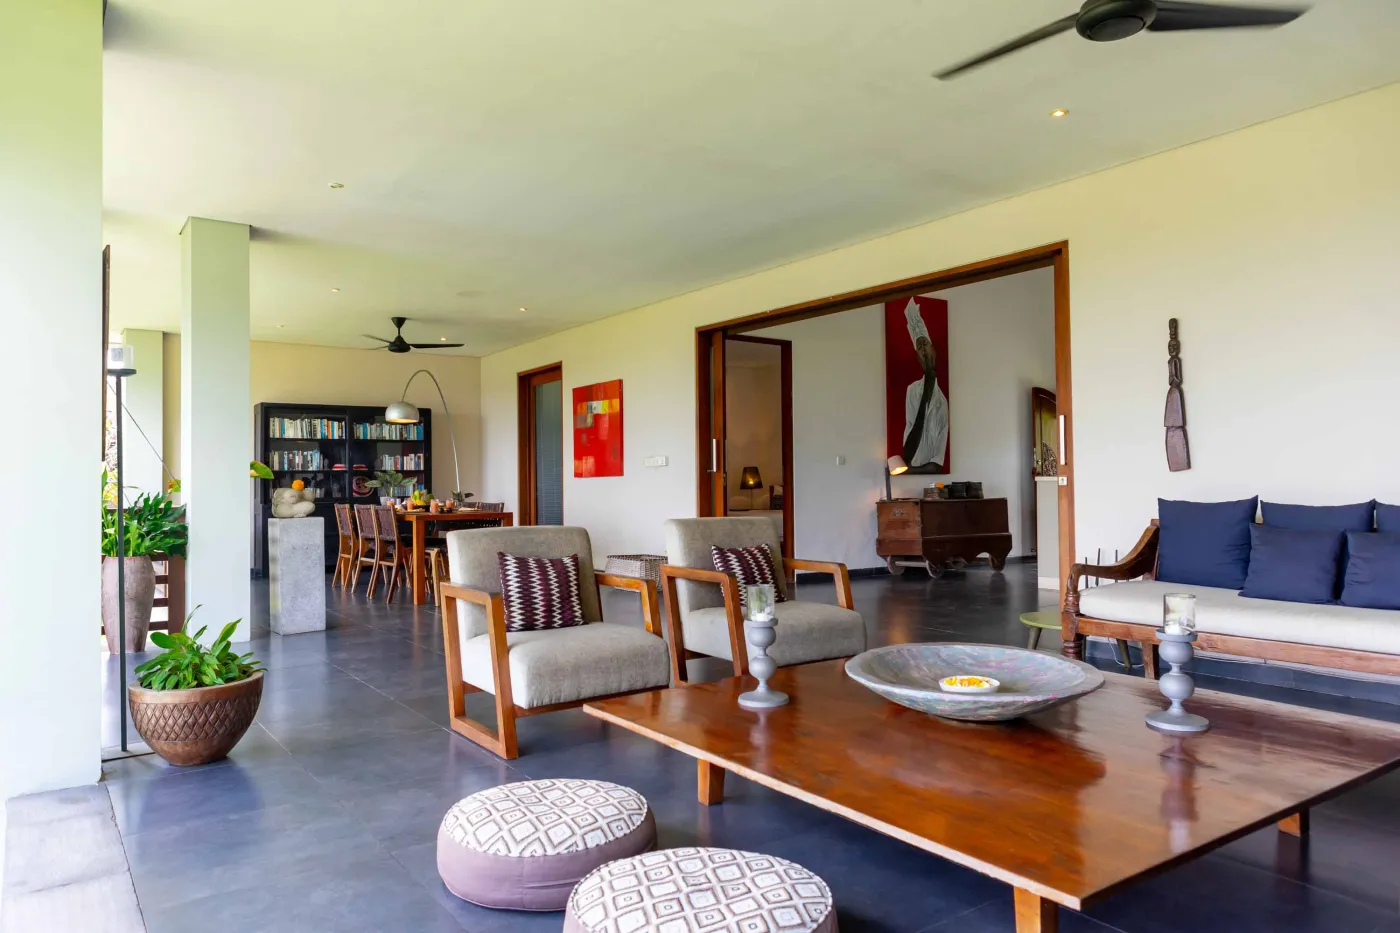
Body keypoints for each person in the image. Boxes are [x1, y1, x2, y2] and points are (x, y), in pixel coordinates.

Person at [901, 300, 948, 471]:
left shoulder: (942, 403)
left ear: (933, 349)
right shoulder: (912, 390)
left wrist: (912, 470)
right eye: (919, 347)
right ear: (918, 358)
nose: (923, 350)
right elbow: (908, 452)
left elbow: (936, 464)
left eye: (925, 344)